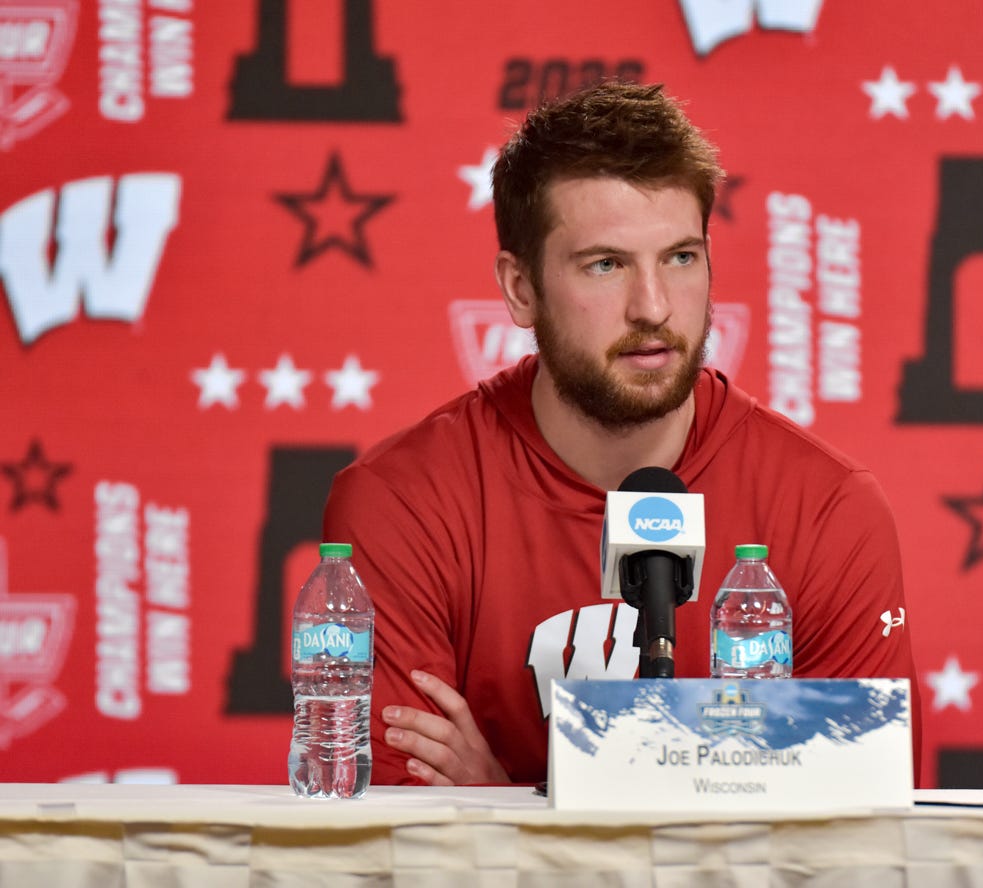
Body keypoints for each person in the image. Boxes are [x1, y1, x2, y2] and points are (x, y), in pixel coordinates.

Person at [323, 81, 920, 787]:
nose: (654, 307)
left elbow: (856, 829)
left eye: (680, 257)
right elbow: (399, 842)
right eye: (606, 264)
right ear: (520, 289)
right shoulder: (405, 504)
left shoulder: (827, 510)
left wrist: (503, 804)